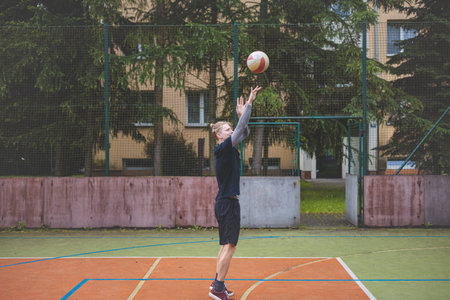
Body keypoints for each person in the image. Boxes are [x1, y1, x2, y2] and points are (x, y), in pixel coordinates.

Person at [208, 86, 262, 300]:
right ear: (218, 135)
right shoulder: (222, 149)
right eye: (227, 130)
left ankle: (217, 283)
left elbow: (243, 132)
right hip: (227, 204)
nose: (232, 131)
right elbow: (240, 132)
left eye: (231, 128)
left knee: (225, 246)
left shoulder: (226, 149)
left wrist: (242, 117)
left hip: (225, 202)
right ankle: (218, 288)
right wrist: (249, 103)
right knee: (230, 246)